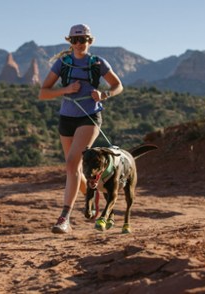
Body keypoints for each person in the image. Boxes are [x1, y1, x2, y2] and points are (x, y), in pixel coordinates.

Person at [38, 24, 123, 234]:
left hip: (90, 117)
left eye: (83, 39)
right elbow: (43, 93)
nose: (79, 44)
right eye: (75, 40)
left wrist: (105, 95)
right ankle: (96, 196)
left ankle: (64, 218)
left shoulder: (97, 63)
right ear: (70, 42)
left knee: (71, 163)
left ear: (90, 41)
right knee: (73, 169)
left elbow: (117, 85)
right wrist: (66, 89)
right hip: (66, 118)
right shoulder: (63, 63)